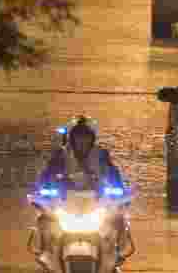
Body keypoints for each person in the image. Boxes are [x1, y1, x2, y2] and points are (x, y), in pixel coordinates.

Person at [33, 116, 134, 270]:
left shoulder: (101, 155)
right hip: (65, 202)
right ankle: (45, 252)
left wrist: (119, 192)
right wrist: (43, 192)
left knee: (119, 219)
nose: (82, 141)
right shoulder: (61, 155)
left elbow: (114, 175)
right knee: (44, 220)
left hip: (96, 202)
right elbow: (47, 175)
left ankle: (118, 252)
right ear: (72, 139)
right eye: (78, 137)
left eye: (85, 137)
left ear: (92, 139)